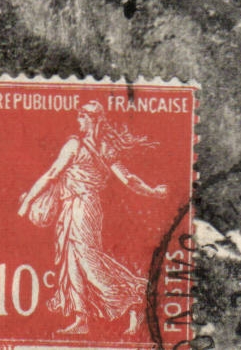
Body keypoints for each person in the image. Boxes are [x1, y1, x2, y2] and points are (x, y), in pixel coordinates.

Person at [17, 101, 168, 335]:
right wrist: (153, 191)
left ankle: (133, 298)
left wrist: (28, 201)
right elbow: (129, 179)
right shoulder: (102, 147)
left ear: (92, 119)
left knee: (88, 260)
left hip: (82, 206)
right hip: (75, 206)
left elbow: (52, 174)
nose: (79, 120)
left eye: (82, 116)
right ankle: (82, 318)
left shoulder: (76, 145)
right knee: (72, 260)